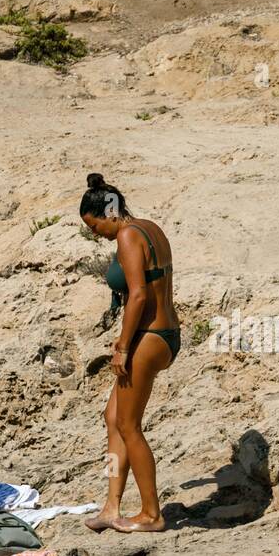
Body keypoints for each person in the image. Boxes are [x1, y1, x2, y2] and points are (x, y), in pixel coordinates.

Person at [78, 173, 179, 533]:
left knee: (129, 425)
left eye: (94, 225)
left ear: (109, 212)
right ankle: (111, 505)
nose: (94, 233)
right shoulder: (150, 228)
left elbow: (137, 295)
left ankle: (152, 514)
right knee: (112, 418)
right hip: (165, 332)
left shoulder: (126, 235)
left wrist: (122, 346)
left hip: (149, 337)